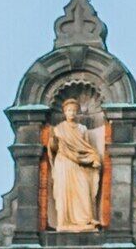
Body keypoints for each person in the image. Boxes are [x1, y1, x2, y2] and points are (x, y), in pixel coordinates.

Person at [43, 93, 106, 233]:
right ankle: (63, 222)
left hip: (80, 165)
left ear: (77, 112)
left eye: (73, 110)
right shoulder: (59, 129)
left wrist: (94, 158)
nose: (71, 113)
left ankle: (86, 219)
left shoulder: (82, 129)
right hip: (63, 163)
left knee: (83, 189)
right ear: (65, 112)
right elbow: (53, 149)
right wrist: (53, 140)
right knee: (64, 192)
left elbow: (87, 147)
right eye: (68, 110)